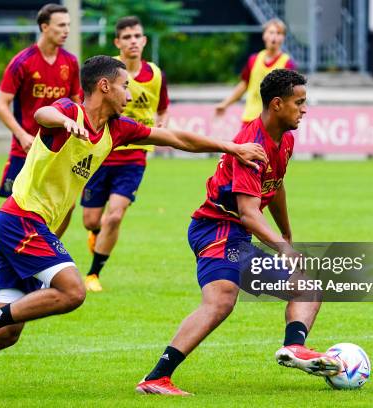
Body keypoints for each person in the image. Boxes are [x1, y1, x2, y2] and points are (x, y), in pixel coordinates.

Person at [0, 55, 267, 390]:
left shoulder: (117, 129)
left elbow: (174, 137)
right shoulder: (69, 112)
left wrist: (229, 146)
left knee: (8, 334)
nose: (130, 95)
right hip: (20, 220)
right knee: (73, 291)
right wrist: (65, 124)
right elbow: (40, 114)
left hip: (32, 226)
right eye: (124, 87)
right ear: (104, 86)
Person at [136, 69, 340, 396]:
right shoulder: (252, 145)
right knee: (220, 300)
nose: (304, 109)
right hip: (216, 229)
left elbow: (275, 186)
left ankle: (295, 348)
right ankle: (156, 378)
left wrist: (286, 233)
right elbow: (247, 214)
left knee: (306, 285)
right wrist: (285, 251)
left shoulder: (285, 138)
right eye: (299, 103)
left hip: (235, 235)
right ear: (276, 104)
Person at [81, 16, 170, 292]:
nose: (133, 41)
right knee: (92, 220)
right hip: (101, 151)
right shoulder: (106, 71)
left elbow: (163, 107)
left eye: (137, 36)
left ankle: (93, 274)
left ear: (144, 41)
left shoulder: (155, 75)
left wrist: (162, 125)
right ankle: (97, 233)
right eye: (127, 37)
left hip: (133, 156)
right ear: (117, 42)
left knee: (115, 215)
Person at [0, 3, 82, 236]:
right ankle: (16, 253)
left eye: (68, 26)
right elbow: (1, 105)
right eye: (61, 25)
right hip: (24, 148)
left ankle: (49, 249)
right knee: (16, 209)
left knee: (67, 204)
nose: (66, 30)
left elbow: (78, 101)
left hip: (57, 149)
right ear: (44, 27)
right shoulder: (22, 61)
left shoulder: (70, 62)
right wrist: (22, 135)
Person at [215, 18, 296, 127]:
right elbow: (244, 85)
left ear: (283, 37)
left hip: (273, 123)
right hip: (250, 118)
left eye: (279, 33)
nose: (275, 36)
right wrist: (225, 104)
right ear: (264, 35)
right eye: (271, 32)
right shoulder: (254, 60)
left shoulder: (287, 64)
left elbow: (291, 94)